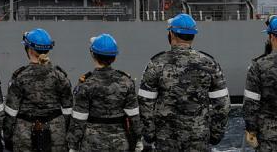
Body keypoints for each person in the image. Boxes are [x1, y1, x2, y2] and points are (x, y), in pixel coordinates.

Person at [138, 14, 230, 151]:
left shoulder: (156, 63)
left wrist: (150, 135)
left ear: (171, 34)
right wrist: (215, 135)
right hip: (198, 139)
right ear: (193, 35)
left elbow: (145, 102)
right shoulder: (209, 63)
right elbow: (222, 104)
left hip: (166, 140)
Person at [66, 34, 142, 152]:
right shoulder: (126, 82)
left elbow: (79, 119)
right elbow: (134, 116)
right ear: (114, 58)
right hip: (119, 143)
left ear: (93, 55)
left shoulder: (86, 84)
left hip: (92, 143)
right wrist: (138, 139)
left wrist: (73, 145)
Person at [3, 28, 73, 152]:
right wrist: (62, 131)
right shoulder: (60, 76)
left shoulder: (20, 77)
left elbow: (11, 112)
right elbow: (68, 110)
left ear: (29, 49)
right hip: (55, 135)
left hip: (25, 135)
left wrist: (7, 138)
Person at [243, 15, 277, 150]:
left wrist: (251, 131)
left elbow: (251, 103)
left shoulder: (258, 66)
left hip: (268, 137)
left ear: (271, 37)